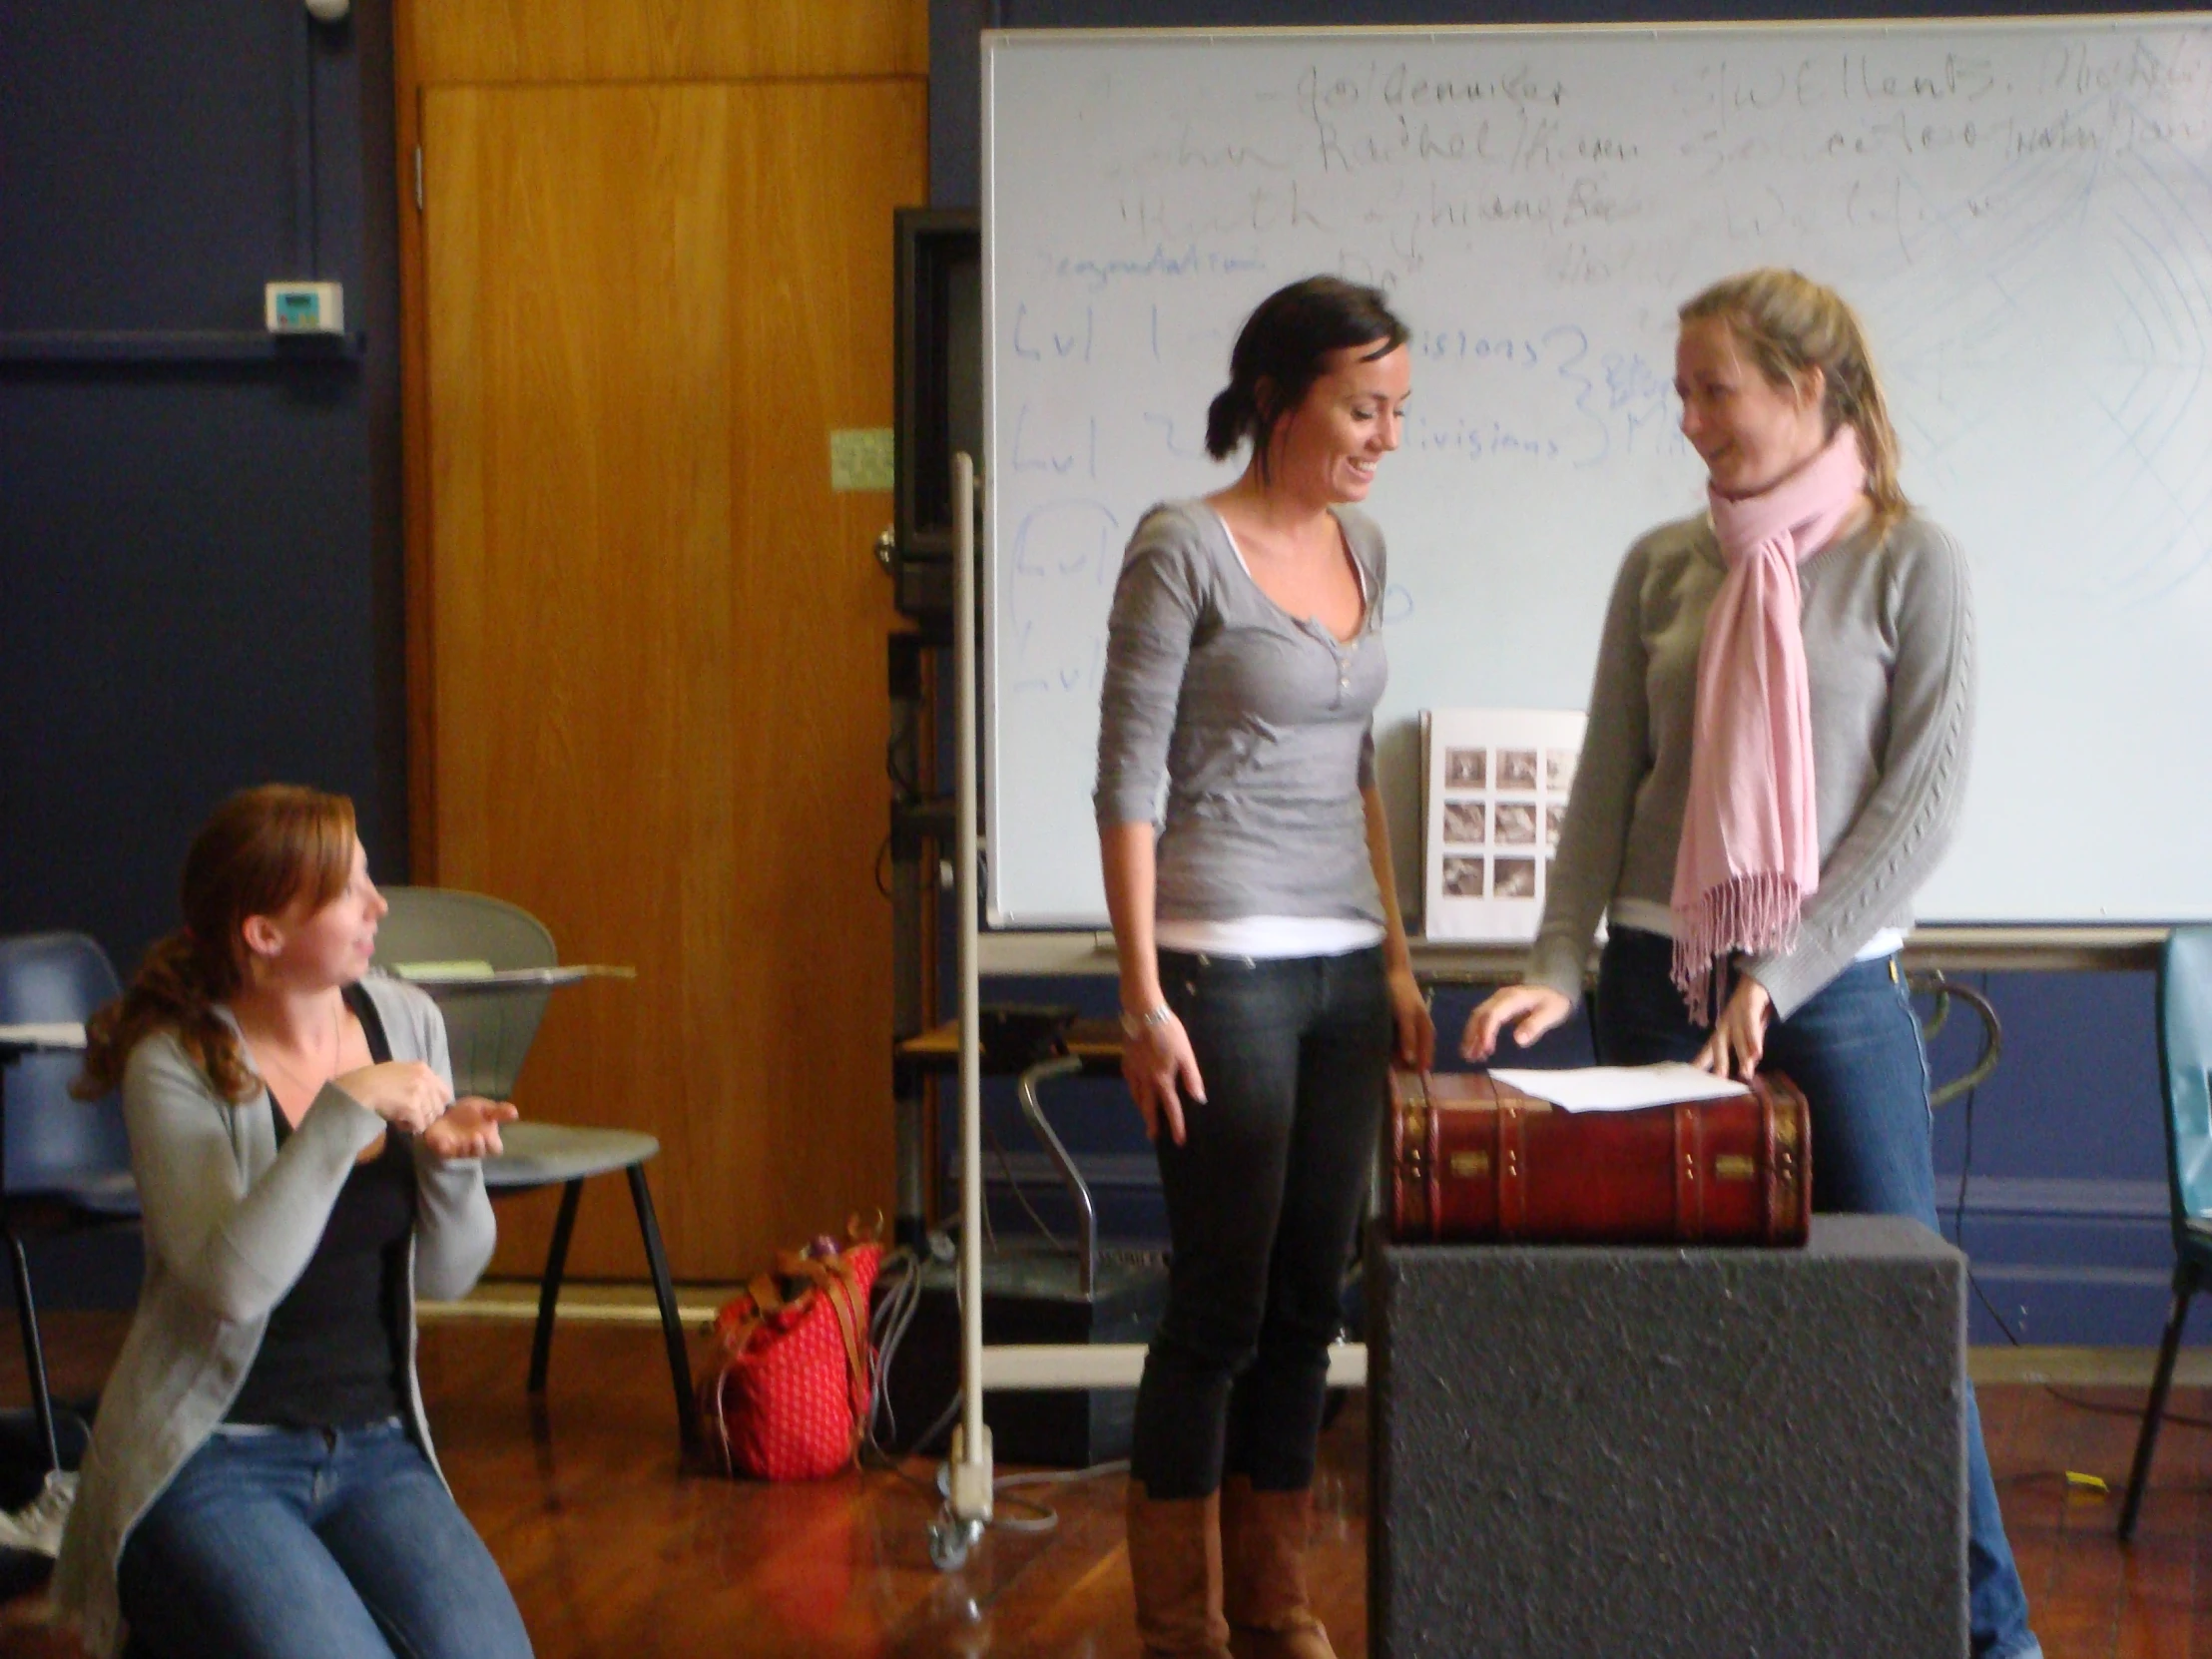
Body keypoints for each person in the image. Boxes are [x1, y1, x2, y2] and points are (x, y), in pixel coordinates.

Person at [1461, 268, 2039, 1659]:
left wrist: (1776, 969)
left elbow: (1924, 806)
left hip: (1831, 993)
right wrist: (1556, 954)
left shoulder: (1916, 560)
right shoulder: (1666, 563)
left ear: (1805, 388)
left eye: (1712, 386)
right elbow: (1611, 776)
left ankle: (1992, 1630)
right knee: (1680, 1327)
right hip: (1656, 981)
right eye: (1681, 390)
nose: (1690, 418)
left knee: (1896, 1315)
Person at [1096, 275, 1431, 1659]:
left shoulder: (1369, 550)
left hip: (1347, 968)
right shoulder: (1184, 543)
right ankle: (1185, 1622)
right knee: (1222, 1302)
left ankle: (1279, 1603)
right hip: (1217, 965)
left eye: (1398, 410)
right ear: (1281, 400)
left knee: (1312, 1300)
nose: (1385, 437)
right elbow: (1126, 778)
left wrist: (1400, 965)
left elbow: (1360, 774)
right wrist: (1140, 1000)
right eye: (1365, 407)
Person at [52, 785, 534, 1659]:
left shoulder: (407, 1022)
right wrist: (344, 1114)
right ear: (264, 933)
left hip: (376, 1449)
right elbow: (228, 1289)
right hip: (207, 1459)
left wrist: (447, 1165)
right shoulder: (177, 1059)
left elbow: (446, 1276)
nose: (378, 904)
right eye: (349, 890)